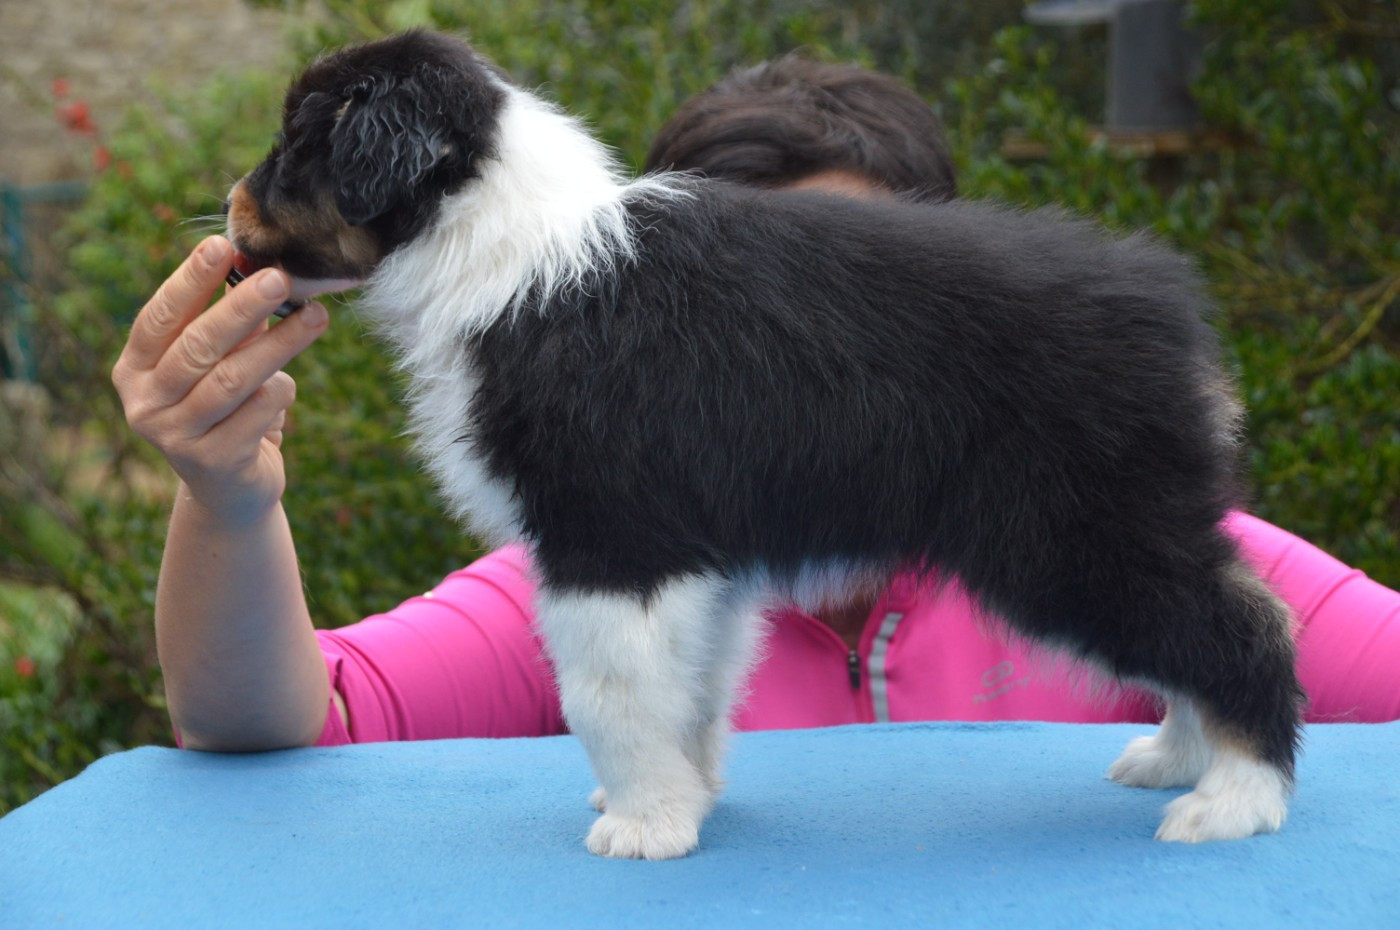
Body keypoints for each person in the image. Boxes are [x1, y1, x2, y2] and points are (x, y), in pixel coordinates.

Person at [112, 57, 1400, 753]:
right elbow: (278, 721)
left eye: (861, 304)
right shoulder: (578, 569)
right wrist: (225, 503)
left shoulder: (1088, 501)